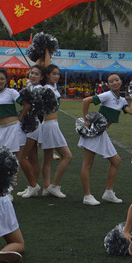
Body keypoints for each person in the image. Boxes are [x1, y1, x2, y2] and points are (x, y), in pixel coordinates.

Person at [79, 72, 132, 206]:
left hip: (102, 133)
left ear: (121, 81)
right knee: (87, 164)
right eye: (111, 81)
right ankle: (87, 195)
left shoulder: (122, 100)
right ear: (108, 84)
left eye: (117, 80)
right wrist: (85, 119)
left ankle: (108, 193)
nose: (114, 83)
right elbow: (86, 101)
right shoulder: (107, 95)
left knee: (116, 161)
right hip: (94, 131)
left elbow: (131, 111)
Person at [38, 64, 73, 198]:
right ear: (47, 75)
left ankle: (46, 188)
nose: (57, 76)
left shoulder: (52, 87)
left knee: (47, 159)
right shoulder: (46, 89)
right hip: (50, 125)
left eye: (58, 74)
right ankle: (54, 186)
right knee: (67, 156)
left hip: (49, 124)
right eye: (54, 73)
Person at [16, 64, 47, 198]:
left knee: (22, 157)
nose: (33, 76)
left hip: (32, 124)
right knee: (32, 157)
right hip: (28, 123)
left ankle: (33, 185)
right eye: (31, 73)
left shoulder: (40, 89)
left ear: (42, 77)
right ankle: (32, 186)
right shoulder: (30, 86)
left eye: (36, 74)